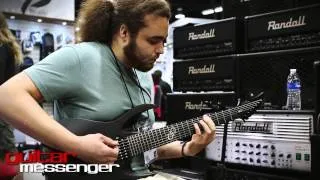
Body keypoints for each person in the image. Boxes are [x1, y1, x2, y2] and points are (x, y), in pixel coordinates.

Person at [0, 0, 216, 179]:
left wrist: (186, 148)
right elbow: (6, 97)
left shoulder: (143, 74)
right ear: (124, 33)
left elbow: (139, 147)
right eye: (153, 40)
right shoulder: (82, 57)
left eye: (163, 41)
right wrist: (76, 145)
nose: (160, 50)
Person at [0, 12, 23, 180]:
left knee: (8, 153)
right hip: (6, 105)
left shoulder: (3, 47)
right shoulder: (9, 46)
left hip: (2, 106)